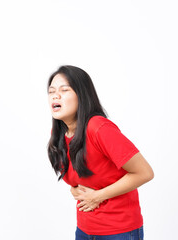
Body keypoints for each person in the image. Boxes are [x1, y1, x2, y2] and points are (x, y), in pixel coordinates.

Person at [47, 65, 154, 240]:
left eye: (64, 90)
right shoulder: (59, 135)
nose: (55, 96)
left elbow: (144, 173)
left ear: (81, 95)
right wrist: (74, 190)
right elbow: (81, 176)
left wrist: (97, 197)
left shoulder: (99, 128)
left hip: (119, 230)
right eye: (51, 92)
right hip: (84, 229)